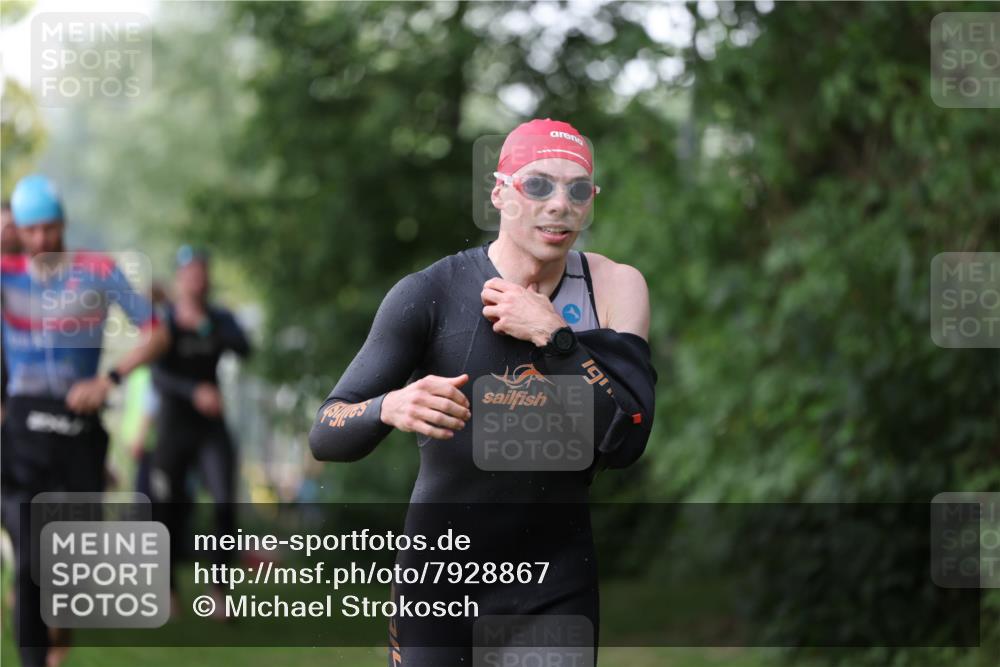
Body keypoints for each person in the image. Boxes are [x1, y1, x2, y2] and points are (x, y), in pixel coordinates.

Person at [308, 119, 657, 666]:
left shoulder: (613, 287)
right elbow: (327, 431)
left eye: (578, 189)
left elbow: (627, 438)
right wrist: (389, 406)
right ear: (500, 193)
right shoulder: (430, 293)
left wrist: (553, 337)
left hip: (554, 587)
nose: (559, 203)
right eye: (538, 184)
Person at [0, 174, 168, 667]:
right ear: (18, 232)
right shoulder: (8, 276)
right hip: (23, 434)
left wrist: (109, 380)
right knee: (30, 561)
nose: (41, 241)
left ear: (64, 224)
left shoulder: (96, 271)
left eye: (50, 229)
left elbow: (156, 334)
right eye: (31, 231)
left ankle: (59, 644)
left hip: (78, 430)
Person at [149, 246, 251, 616]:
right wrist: (194, 391)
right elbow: (157, 375)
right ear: (180, 277)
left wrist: (208, 325)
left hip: (211, 429)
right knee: (167, 508)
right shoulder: (165, 321)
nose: (197, 278)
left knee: (225, 502)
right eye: (190, 272)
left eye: (202, 271)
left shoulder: (219, 318)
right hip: (174, 427)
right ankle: (168, 591)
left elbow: (244, 347)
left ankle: (219, 591)